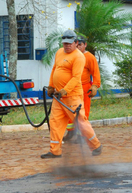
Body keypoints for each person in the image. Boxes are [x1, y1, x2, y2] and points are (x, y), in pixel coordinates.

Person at [41, 30, 102, 159]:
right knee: (55, 122)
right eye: (65, 43)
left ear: (76, 43)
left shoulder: (79, 57)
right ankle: (55, 151)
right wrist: (51, 86)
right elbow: (54, 69)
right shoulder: (59, 52)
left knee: (80, 122)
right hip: (58, 96)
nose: (67, 45)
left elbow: (76, 78)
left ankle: (96, 145)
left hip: (72, 96)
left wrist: (65, 90)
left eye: (69, 43)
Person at [63, 35, 101, 142]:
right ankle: (71, 133)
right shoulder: (70, 55)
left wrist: (94, 86)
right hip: (71, 88)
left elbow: (96, 73)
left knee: (83, 113)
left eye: (80, 44)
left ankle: (82, 136)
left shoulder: (89, 57)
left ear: (85, 45)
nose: (78, 47)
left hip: (84, 88)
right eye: (77, 44)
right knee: (70, 111)